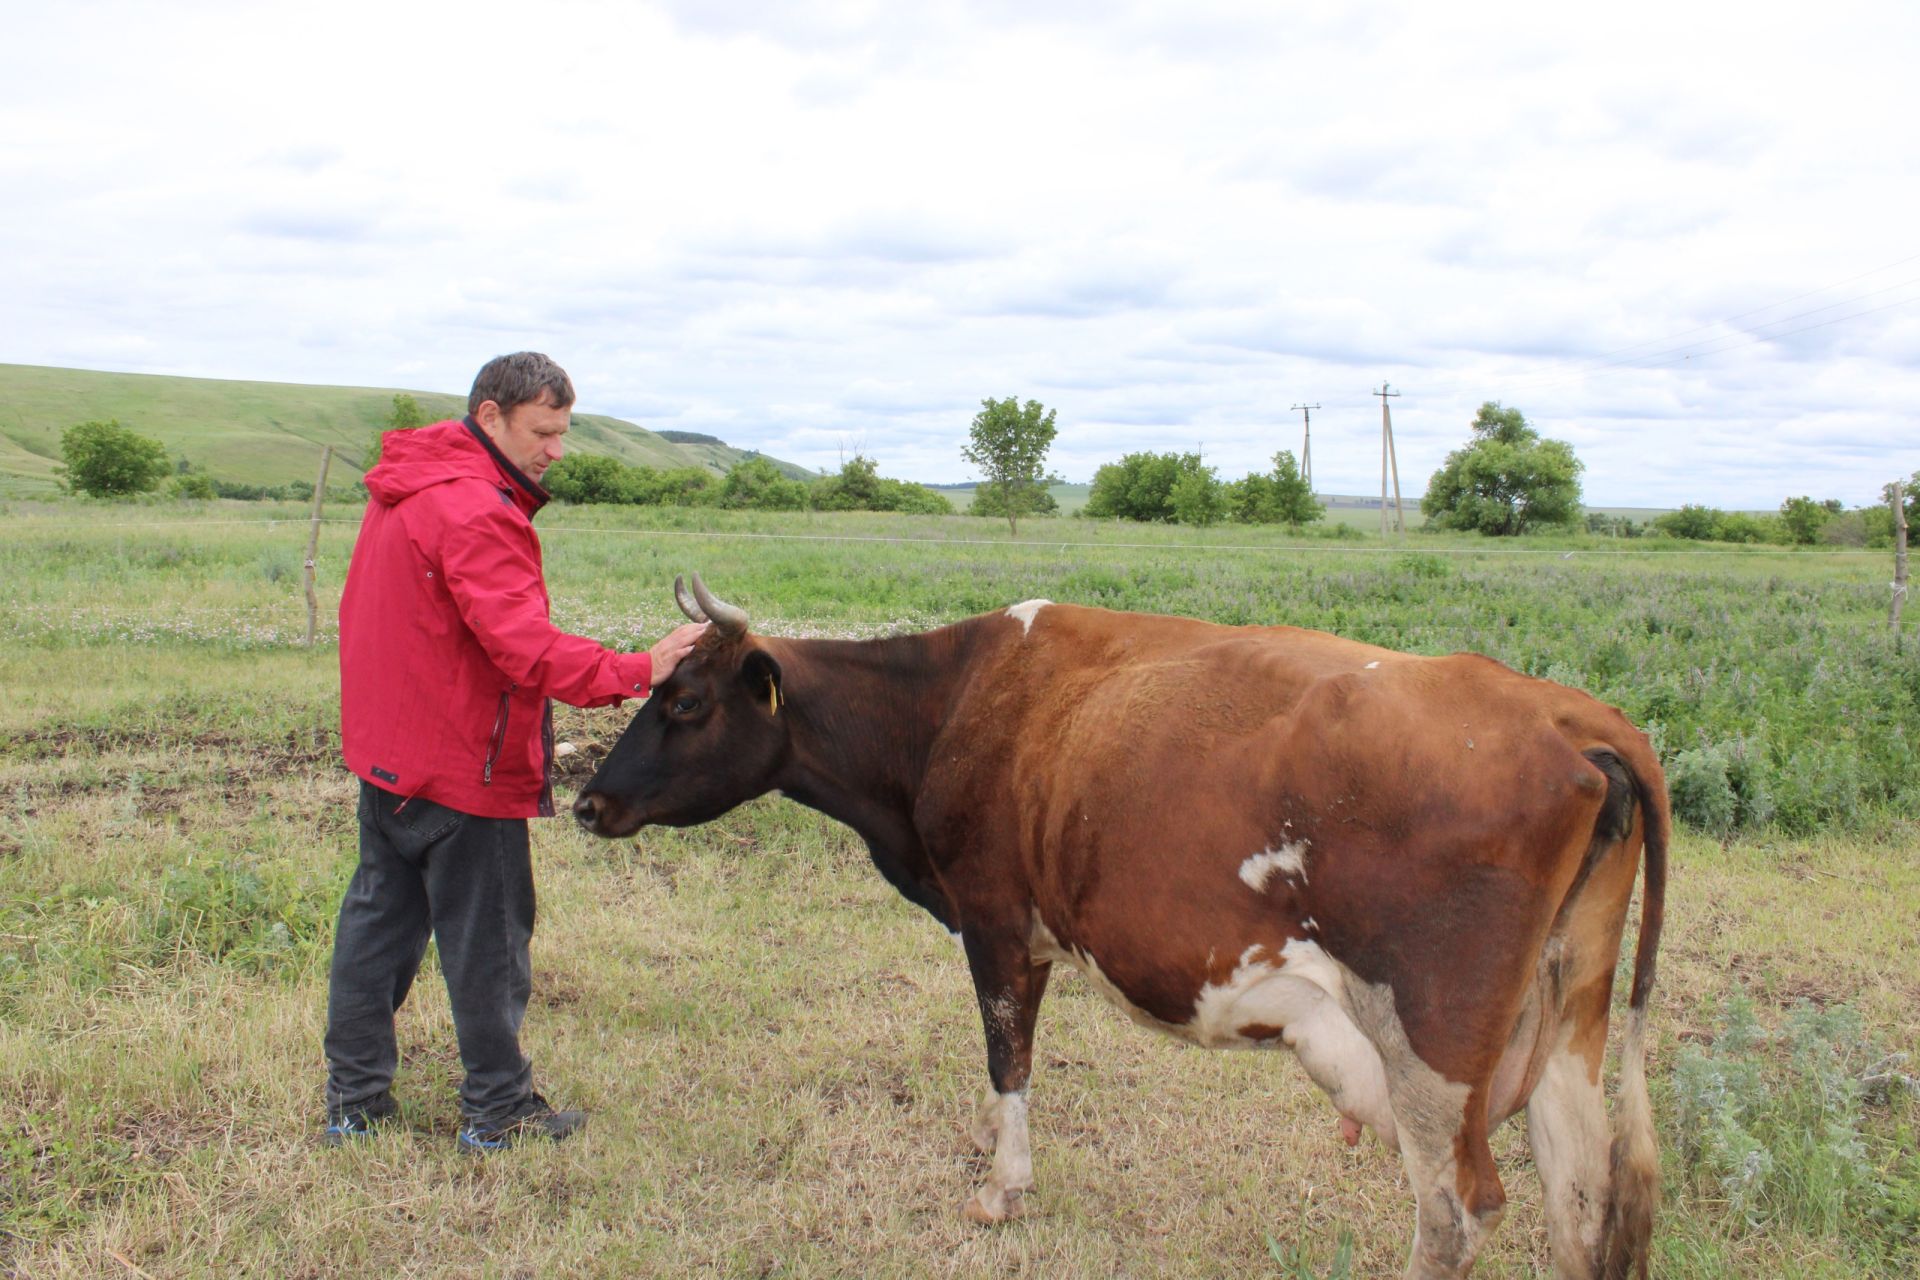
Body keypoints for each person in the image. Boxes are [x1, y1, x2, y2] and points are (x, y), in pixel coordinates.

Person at [324, 351, 707, 1151]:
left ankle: (353, 1106)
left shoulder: (408, 488)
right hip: (464, 764)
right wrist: (643, 669)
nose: (555, 451)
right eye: (544, 431)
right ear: (490, 417)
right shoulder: (476, 509)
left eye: (563, 432)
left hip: (389, 757)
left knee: (376, 929)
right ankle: (497, 1111)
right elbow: (525, 649)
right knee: (491, 941)